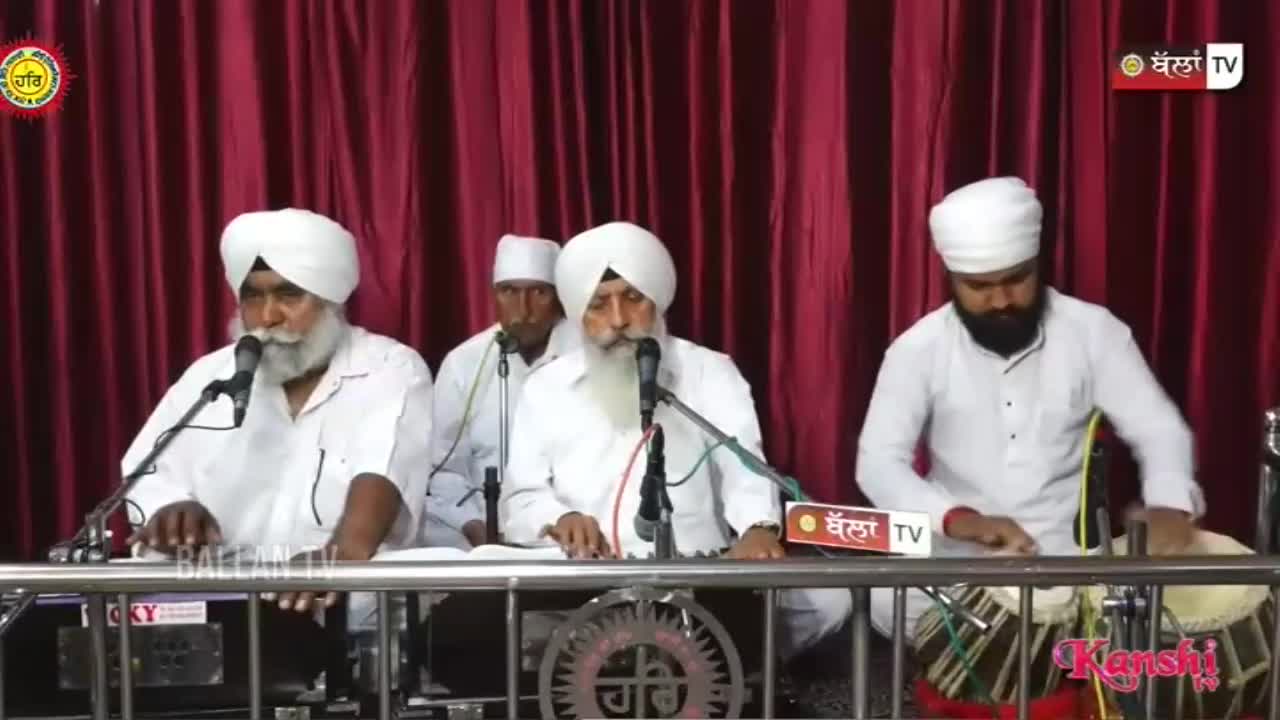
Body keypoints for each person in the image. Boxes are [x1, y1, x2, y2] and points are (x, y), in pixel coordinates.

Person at [855, 177, 1203, 642]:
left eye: (1016, 280)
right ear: (952, 280)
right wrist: (958, 519)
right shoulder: (918, 348)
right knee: (885, 599)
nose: (1000, 301)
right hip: (954, 555)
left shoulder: (1094, 333)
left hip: (1064, 557)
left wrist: (1168, 502)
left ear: (1038, 266)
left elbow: (1157, 428)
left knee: (1160, 605)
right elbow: (877, 463)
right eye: (979, 286)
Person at [499, 221, 851, 661]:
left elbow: (743, 463)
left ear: (657, 300)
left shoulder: (709, 371)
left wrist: (757, 528)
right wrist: (560, 516)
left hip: (696, 572)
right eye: (599, 304)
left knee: (830, 596)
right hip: (585, 575)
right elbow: (519, 499)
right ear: (578, 314)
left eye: (632, 298)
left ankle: (744, 669)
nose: (619, 320)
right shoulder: (546, 387)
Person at [122, 208, 434, 614]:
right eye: (253, 296)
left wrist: (339, 555)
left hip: (342, 614)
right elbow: (148, 471)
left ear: (330, 300)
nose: (268, 317)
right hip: (226, 607)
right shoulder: (210, 377)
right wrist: (169, 509)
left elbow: (381, 470)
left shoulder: (389, 367)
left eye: (288, 295)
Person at [423, 234, 580, 549]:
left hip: (568, 536)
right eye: (509, 291)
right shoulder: (464, 363)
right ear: (494, 295)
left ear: (560, 297)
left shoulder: (588, 356)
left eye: (538, 292)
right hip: (481, 536)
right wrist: (474, 525)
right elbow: (443, 469)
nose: (523, 310)